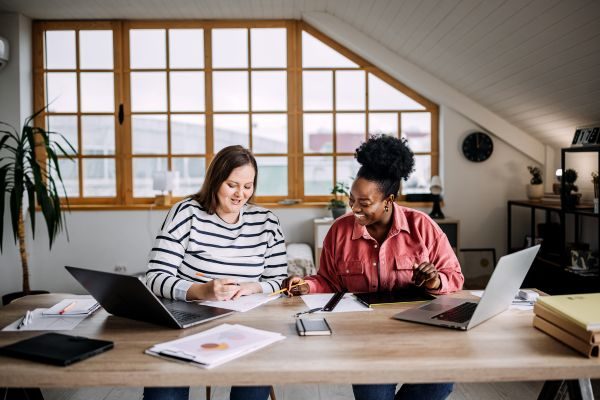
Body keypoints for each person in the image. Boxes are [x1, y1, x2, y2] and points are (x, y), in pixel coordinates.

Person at [283, 135, 464, 400]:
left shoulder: (423, 227)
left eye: (364, 203)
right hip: (364, 339)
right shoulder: (339, 232)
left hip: (420, 333)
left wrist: (435, 282)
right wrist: (306, 285)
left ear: (389, 200)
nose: (354, 208)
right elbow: (329, 281)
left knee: (440, 383)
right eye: (351, 199)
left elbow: (455, 277)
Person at [143, 145, 287, 400]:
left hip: (249, 324)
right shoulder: (186, 213)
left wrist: (251, 287)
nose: (240, 195)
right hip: (188, 321)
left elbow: (279, 280)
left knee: (254, 384)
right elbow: (154, 277)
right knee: (165, 392)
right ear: (215, 180)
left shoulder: (267, 222)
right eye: (232, 185)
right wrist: (202, 290)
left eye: (248, 186)